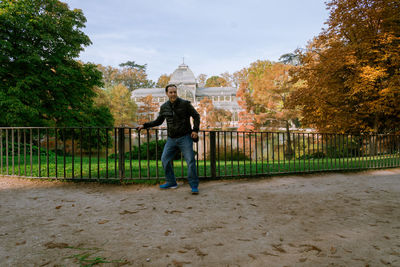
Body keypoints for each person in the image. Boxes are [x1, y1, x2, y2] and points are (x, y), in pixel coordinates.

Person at [137, 84, 200, 194]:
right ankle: (171, 182)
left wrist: (195, 130)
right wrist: (144, 125)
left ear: (177, 92)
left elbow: (196, 116)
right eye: (171, 92)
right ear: (167, 93)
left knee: (190, 161)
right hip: (171, 139)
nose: (173, 94)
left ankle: (194, 185)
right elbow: (158, 121)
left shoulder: (185, 104)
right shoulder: (164, 107)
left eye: (175, 92)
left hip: (185, 137)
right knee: (164, 159)